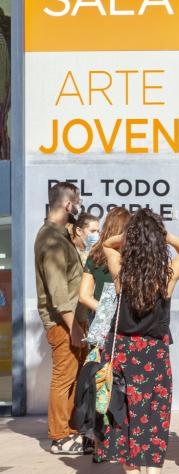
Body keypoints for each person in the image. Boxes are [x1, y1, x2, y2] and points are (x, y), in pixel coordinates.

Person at [94, 209, 179, 474]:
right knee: (154, 422)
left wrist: (128, 235)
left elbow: (106, 244)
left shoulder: (120, 271)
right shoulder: (166, 275)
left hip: (124, 353)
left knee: (126, 421)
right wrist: (166, 236)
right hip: (155, 355)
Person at [34, 182, 90, 454]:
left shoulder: (62, 234)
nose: (78, 207)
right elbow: (57, 293)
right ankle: (59, 436)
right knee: (63, 377)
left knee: (74, 377)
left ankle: (71, 430)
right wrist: (73, 327)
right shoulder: (52, 240)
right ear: (68, 205)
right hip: (62, 322)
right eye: (76, 203)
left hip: (74, 320)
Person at [79, 207, 131, 324]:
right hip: (129, 323)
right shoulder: (133, 256)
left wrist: (107, 311)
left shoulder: (95, 254)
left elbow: (84, 296)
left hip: (101, 320)